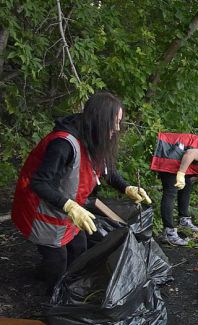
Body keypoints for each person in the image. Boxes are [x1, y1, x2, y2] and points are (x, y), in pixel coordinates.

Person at [11, 92, 152, 290]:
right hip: (42, 209)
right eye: (115, 121)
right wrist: (69, 206)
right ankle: (54, 297)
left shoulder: (93, 138)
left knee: (79, 246)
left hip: (70, 209)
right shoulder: (63, 144)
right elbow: (39, 182)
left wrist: (126, 187)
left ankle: (60, 281)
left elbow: (105, 170)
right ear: (99, 119)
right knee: (57, 260)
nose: (117, 128)